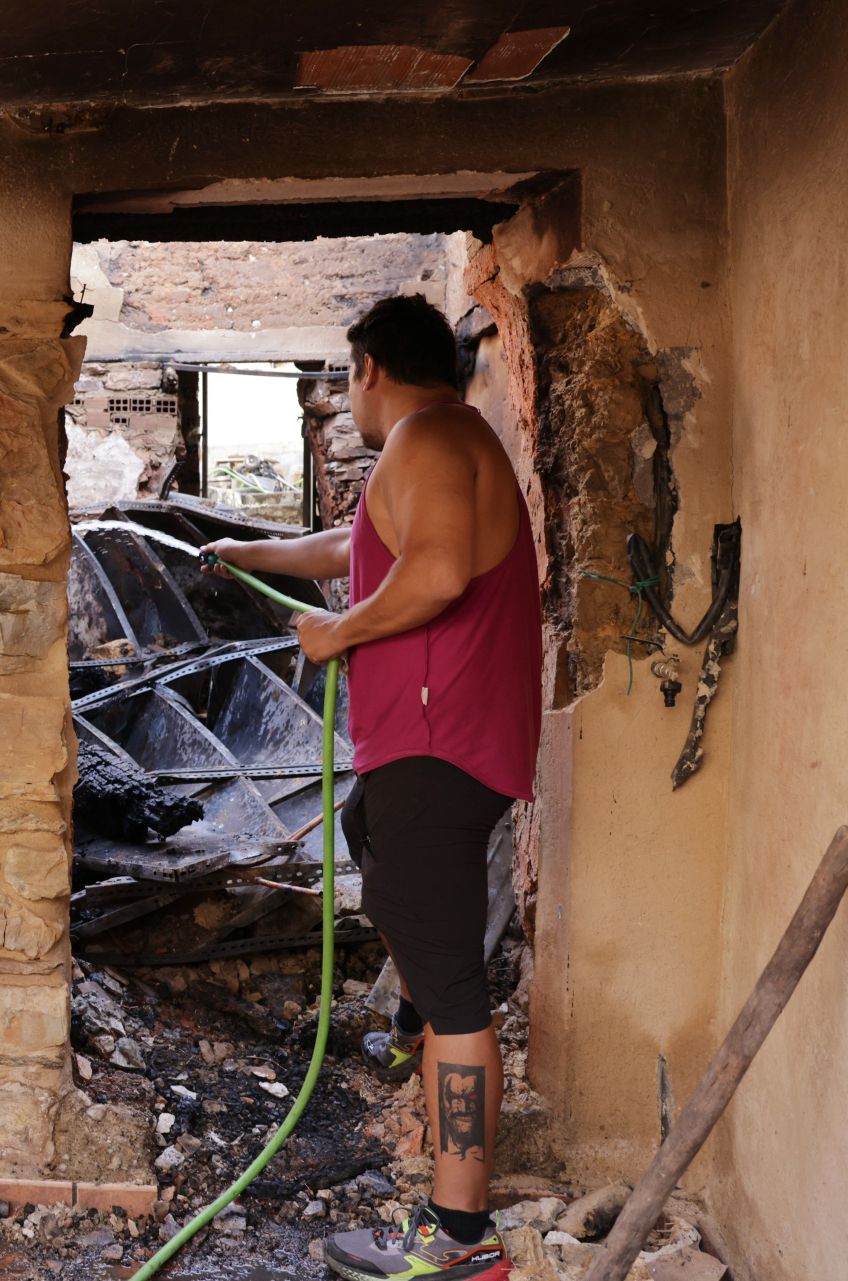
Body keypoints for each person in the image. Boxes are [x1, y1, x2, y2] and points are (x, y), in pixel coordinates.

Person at [205, 295, 539, 1281]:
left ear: (367, 368)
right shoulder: (441, 444)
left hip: (440, 751)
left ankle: (457, 1238)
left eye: (347, 377)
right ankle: (407, 1032)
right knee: (369, 837)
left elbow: (431, 574)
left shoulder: (429, 439)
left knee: (458, 995)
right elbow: (355, 553)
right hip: (433, 754)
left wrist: (337, 633)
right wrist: (241, 553)